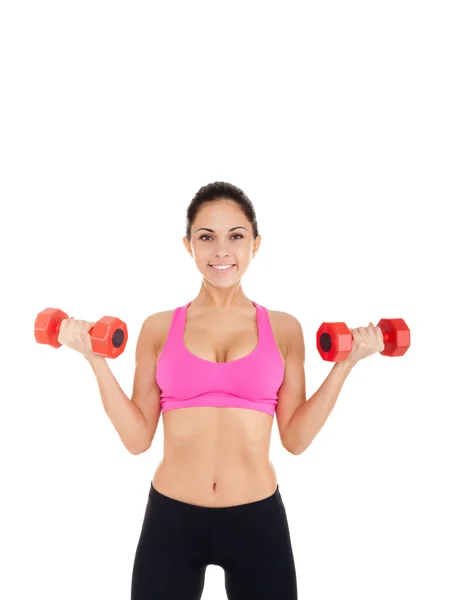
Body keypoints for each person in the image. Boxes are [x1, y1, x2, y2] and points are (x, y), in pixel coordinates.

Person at [58, 181, 384, 599]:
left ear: (256, 243)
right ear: (187, 245)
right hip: (172, 519)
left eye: (236, 236)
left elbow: (296, 440)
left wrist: (346, 365)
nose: (221, 251)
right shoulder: (158, 327)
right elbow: (137, 439)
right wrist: (95, 359)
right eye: (206, 237)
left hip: (257, 519)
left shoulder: (284, 328)